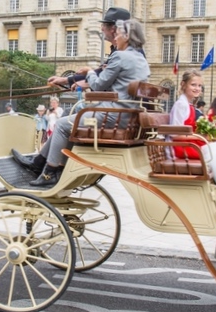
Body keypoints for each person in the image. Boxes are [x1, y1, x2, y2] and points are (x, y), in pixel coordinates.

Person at [13, 19, 150, 187]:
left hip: (112, 115)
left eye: (119, 34)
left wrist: (90, 72)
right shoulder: (141, 60)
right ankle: (39, 163)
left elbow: (99, 84)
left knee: (63, 125)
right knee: (70, 124)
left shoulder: (120, 56)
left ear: (127, 36)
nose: (116, 38)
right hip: (127, 116)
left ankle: (49, 173)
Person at [47, 7, 132, 89]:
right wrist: (68, 80)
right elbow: (101, 74)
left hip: (121, 101)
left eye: (104, 25)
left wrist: (87, 76)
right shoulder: (123, 50)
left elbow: (102, 80)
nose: (101, 28)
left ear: (113, 29)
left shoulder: (124, 52)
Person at [169, 71, 212, 168]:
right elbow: (175, 135)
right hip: (181, 147)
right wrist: (201, 137)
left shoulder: (188, 104)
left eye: (199, 86)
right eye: (193, 85)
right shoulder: (181, 105)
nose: (197, 89)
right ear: (183, 85)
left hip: (188, 144)